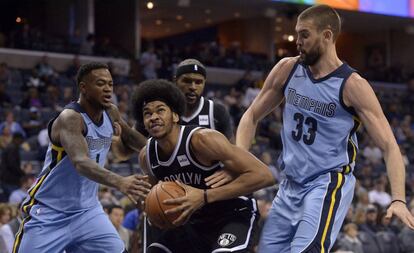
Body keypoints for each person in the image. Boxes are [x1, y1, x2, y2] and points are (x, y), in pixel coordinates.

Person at [236, 5, 414, 253]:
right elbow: (251, 116)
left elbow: (389, 146)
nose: (297, 41)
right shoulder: (287, 68)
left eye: (304, 35)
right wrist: (239, 160)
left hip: (326, 183)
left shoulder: (352, 85)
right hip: (289, 185)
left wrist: (398, 199)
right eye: (297, 34)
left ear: (327, 35)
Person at [12, 62, 150, 253]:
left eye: (110, 84)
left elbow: (133, 139)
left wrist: (164, 150)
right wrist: (120, 182)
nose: (108, 89)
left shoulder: (111, 112)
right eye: (101, 84)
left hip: (87, 211)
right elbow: (81, 162)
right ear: (83, 88)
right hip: (49, 212)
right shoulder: (70, 118)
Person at [132, 79, 274, 252]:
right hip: (193, 222)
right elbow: (156, 198)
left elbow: (264, 175)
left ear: (175, 116)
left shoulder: (202, 140)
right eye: (147, 113)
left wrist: (204, 196)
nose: (153, 117)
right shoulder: (146, 157)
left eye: (160, 110)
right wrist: (146, 202)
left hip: (232, 214)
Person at [174, 58, 235, 187]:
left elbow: (233, 152)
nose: (192, 87)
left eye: (198, 82)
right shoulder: (162, 111)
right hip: (173, 185)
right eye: (187, 81)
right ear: (175, 81)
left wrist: (230, 170)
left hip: (210, 188)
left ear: (204, 84)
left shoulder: (216, 111)